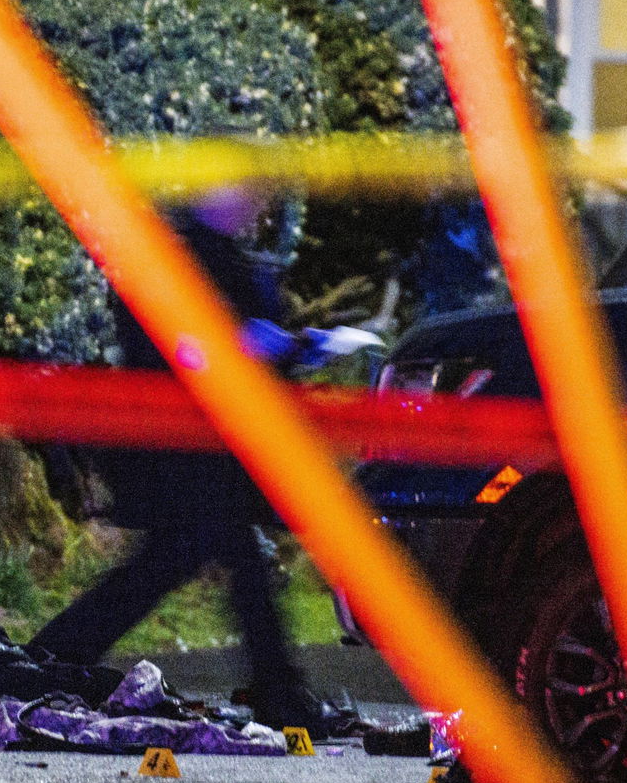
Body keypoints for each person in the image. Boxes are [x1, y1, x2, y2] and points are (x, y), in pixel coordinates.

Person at [28, 187, 370, 738]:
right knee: (227, 562)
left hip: (202, 449)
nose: (257, 207)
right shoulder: (175, 255)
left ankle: (45, 661)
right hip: (184, 449)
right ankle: (278, 694)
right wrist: (244, 346)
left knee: (168, 566)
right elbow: (172, 345)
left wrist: (290, 348)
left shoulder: (209, 254)